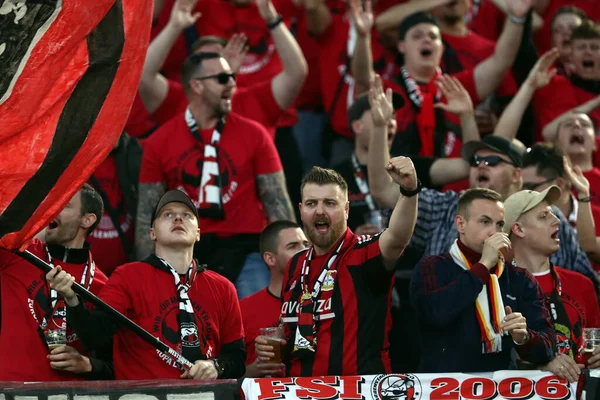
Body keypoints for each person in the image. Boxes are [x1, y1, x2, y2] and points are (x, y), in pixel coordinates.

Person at [137, 49, 295, 299]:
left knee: (253, 332)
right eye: (222, 78)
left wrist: (292, 267)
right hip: (186, 252)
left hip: (247, 252)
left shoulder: (255, 134)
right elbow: (147, 214)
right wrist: (147, 274)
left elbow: (277, 205)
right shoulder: (160, 142)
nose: (232, 82)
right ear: (197, 86)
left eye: (232, 76)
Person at [48, 189, 246, 380]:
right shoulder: (127, 276)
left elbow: (237, 358)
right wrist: (72, 298)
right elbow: (94, 336)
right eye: (167, 214)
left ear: (198, 234)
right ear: (152, 233)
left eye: (187, 215)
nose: (178, 219)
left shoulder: (223, 287)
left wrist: (215, 366)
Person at [255, 150, 420, 376]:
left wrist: (409, 191)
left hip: (356, 392)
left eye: (330, 203)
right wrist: (276, 342)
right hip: (300, 391)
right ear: (301, 211)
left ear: (346, 210)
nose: (320, 210)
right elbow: (295, 334)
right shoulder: (295, 264)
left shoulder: (364, 252)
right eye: (312, 203)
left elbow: (397, 237)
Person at [367, 134, 598, 289]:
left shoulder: (548, 217)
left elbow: (587, 285)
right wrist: (379, 129)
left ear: (517, 175)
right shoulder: (447, 206)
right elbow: (384, 195)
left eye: (493, 161)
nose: (481, 165)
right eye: (476, 160)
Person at [410, 188, 556, 372]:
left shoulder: (519, 278)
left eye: (499, 224)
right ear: (460, 224)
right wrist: (483, 266)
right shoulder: (431, 267)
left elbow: (549, 347)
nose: (493, 232)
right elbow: (435, 314)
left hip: (500, 392)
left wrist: (524, 337)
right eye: (485, 222)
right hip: (445, 390)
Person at [0, 185, 111, 381]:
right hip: (9, 390)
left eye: (64, 204)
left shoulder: (103, 285)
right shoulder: (18, 252)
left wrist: (88, 365)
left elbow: (116, 365)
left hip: (65, 394)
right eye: (52, 203)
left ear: (87, 219)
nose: (52, 208)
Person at [504, 186, 600, 382]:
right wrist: (541, 363)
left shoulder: (582, 284)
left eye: (553, 214)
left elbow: (594, 339)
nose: (557, 220)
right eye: (543, 216)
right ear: (518, 229)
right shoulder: (499, 287)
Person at [240, 221, 309, 378]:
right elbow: (225, 375)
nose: (304, 251)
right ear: (270, 259)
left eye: (306, 244)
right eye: (293, 246)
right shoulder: (243, 310)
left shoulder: (325, 302)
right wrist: (252, 371)